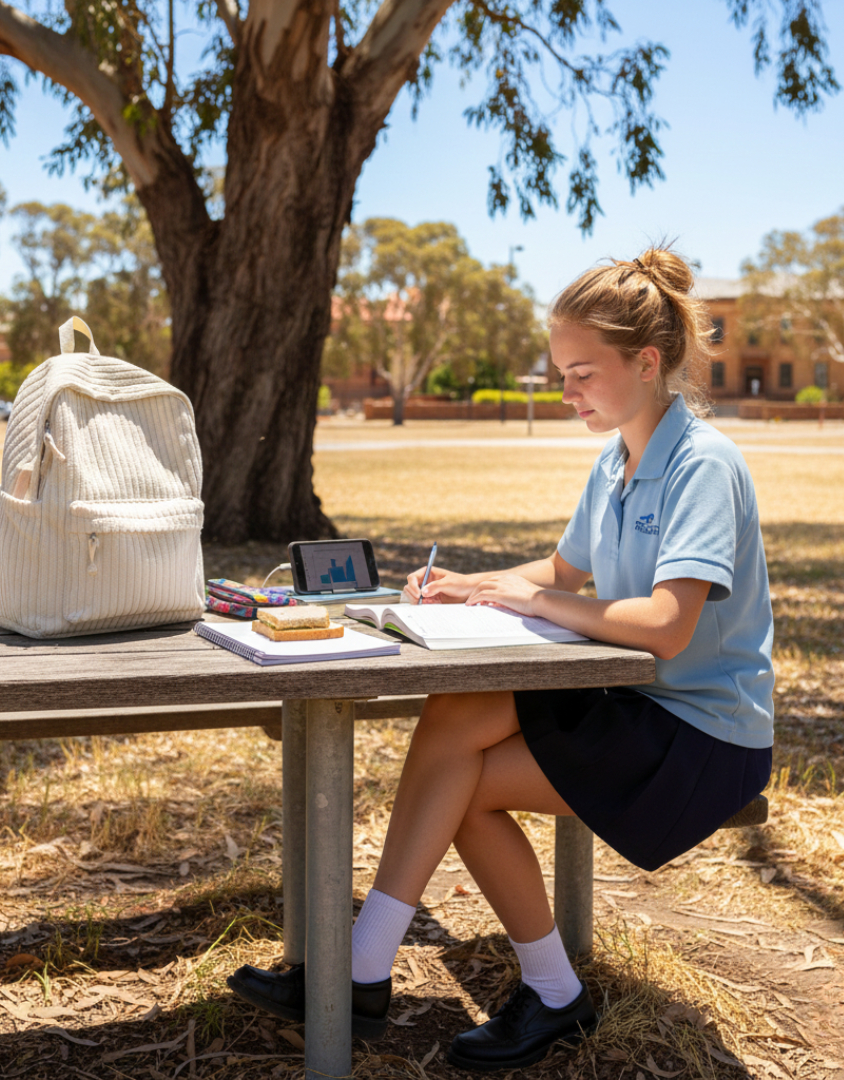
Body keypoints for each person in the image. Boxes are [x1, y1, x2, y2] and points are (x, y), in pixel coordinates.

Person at [228, 246, 775, 1072]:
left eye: (583, 372)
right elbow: (562, 572)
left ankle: (468, 983)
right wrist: (475, 585)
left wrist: (532, 602)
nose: (567, 392)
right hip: (633, 700)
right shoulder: (615, 462)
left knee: (466, 791)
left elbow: (666, 625)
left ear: (648, 362)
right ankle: (372, 969)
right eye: (562, 372)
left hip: (702, 736)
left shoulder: (702, 464)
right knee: (453, 713)